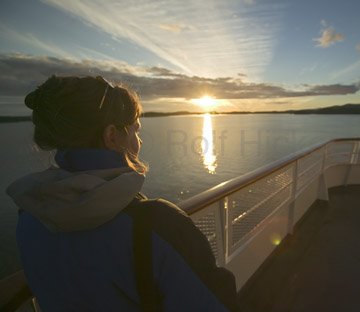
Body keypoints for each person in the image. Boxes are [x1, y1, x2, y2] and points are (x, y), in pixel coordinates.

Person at [6, 75, 238, 311]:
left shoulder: (31, 215)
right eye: (135, 130)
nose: (139, 142)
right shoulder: (157, 224)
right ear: (112, 136)